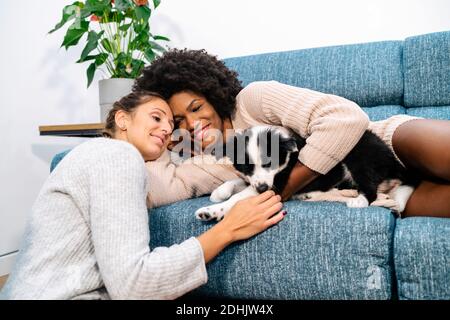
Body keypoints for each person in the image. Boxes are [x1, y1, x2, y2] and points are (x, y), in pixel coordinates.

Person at [0, 91, 284, 300]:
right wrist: (228, 229)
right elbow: (135, 285)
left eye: (171, 126)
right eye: (156, 118)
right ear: (122, 119)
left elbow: (191, 177)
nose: (166, 129)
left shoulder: (98, 157)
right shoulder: (116, 155)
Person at [134, 49, 450, 218]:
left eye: (195, 107)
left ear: (211, 92)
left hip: (381, 142)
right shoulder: (207, 160)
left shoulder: (253, 100)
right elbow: (156, 190)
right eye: (178, 120)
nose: (191, 123)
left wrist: (281, 188)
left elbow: (346, 118)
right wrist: (136, 140)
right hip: (375, 191)